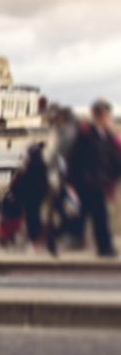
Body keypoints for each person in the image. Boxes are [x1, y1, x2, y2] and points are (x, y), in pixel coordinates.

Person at [68, 99, 119, 259]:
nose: (107, 119)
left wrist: (114, 176)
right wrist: (74, 182)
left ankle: (74, 238)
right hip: (89, 182)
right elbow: (74, 159)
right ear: (97, 116)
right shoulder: (86, 134)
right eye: (105, 116)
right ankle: (104, 247)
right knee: (100, 215)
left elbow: (114, 158)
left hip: (101, 181)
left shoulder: (107, 135)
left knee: (85, 215)